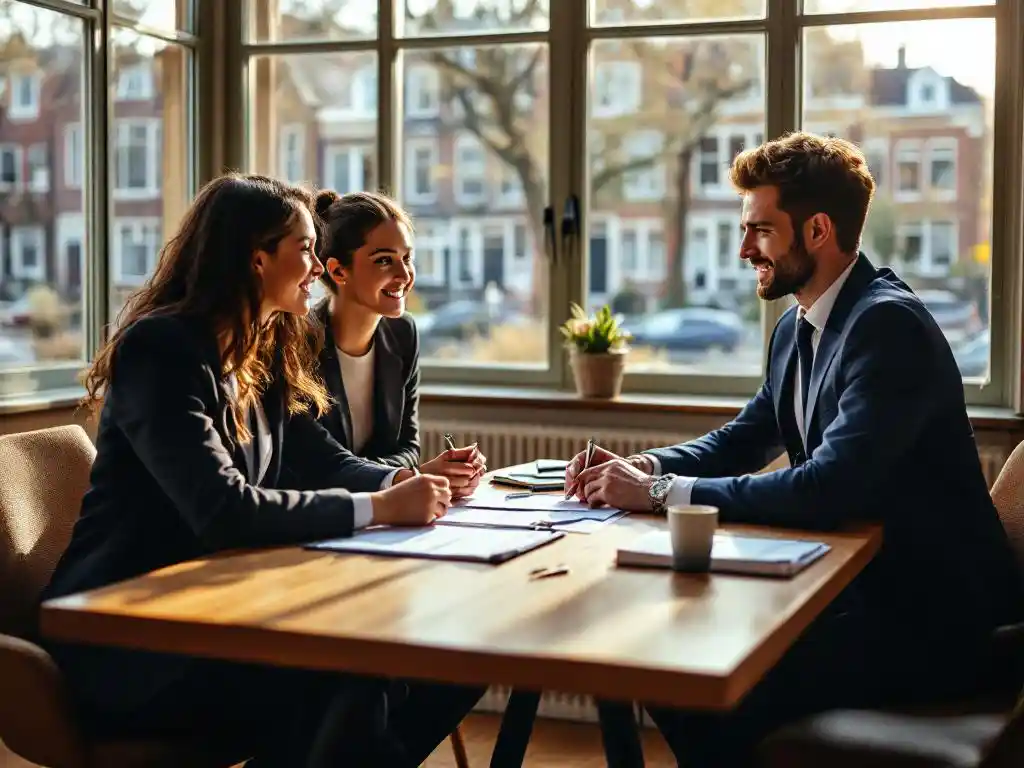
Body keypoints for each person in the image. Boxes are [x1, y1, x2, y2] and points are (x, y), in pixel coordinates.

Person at [564, 132, 1024, 767]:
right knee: (670, 662)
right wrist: (648, 465)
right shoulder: (797, 326)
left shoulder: (888, 326)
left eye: (760, 230)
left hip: (933, 622)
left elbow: (828, 487)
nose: (744, 248)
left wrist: (660, 495)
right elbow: (744, 438)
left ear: (817, 230)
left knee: (694, 673)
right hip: (865, 596)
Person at [40, 174, 465, 767]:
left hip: (216, 610)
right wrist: (379, 508)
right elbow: (224, 509)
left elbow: (312, 455)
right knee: (353, 675)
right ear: (257, 258)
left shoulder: (258, 351)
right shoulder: (160, 350)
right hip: (129, 642)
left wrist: (395, 481)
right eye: (305, 250)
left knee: (435, 666)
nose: (317, 267)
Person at [307, 189, 485, 494]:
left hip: (381, 521)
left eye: (407, 258)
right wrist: (408, 476)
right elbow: (317, 467)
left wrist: (411, 473)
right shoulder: (296, 343)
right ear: (337, 270)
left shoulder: (403, 333)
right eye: (384, 261)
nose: (404, 274)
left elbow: (408, 445)